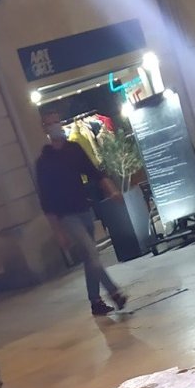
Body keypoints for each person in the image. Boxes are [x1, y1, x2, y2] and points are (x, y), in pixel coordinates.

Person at [34, 111, 129, 320]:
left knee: (88, 257)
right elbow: (46, 201)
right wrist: (58, 231)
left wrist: (111, 190)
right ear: (45, 129)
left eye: (57, 122)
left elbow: (94, 172)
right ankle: (114, 292)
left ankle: (95, 302)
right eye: (50, 124)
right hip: (66, 216)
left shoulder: (73, 149)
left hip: (84, 210)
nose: (55, 126)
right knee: (91, 253)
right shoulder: (44, 162)